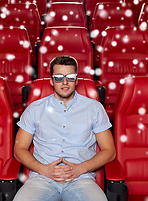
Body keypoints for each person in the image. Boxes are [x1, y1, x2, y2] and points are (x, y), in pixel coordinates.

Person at [13, 55, 116, 201]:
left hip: (81, 179)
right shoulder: (34, 109)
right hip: (42, 179)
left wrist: (80, 169)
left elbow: (109, 151)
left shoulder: (94, 108)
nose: (65, 82)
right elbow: (19, 149)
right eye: (59, 77)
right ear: (51, 81)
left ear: (77, 80)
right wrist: (44, 170)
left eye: (70, 77)